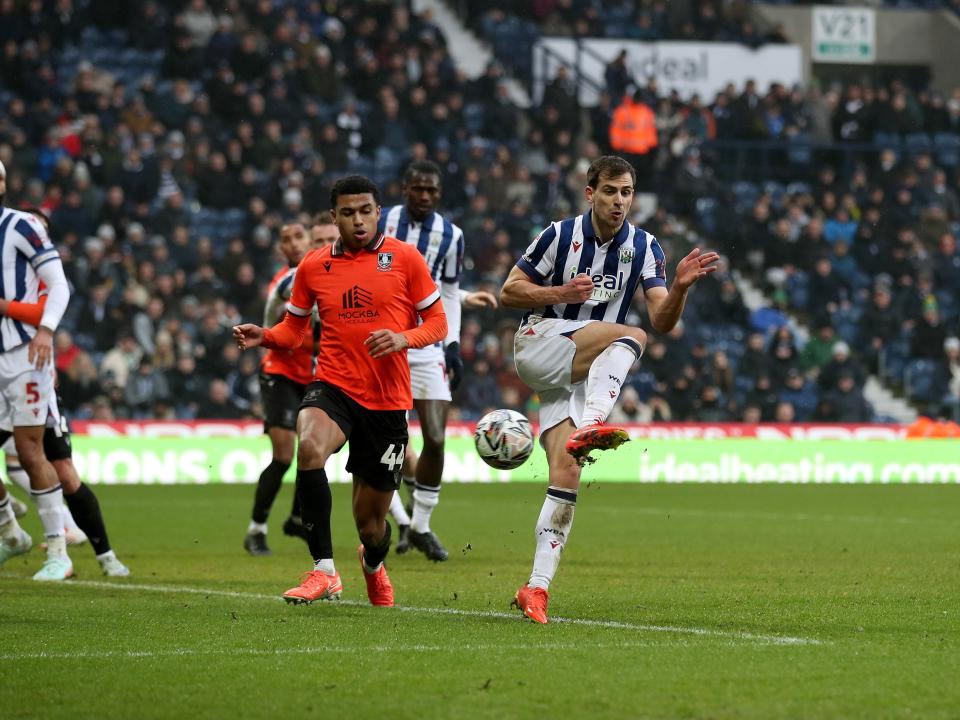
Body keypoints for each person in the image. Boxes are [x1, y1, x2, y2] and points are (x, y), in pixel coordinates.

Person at [499, 155, 718, 623]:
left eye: (627, 193)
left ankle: (535, 587)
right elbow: (509, 292)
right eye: (611, 191)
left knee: (568, 471)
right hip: (538, 345)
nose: (619, 201)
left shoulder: (645, 247)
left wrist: (678, 288)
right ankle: (596, 423)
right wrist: (559, 294)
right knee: (630, 335)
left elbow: (662, 319)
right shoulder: (559, 235)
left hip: (581, 369)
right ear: (590, 192)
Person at [233, 175, 447, 607]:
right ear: (334, 217)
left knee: (371, 527)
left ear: (378, 212)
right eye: (347, 213)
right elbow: (293, 329)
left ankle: (372, 565)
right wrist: (267, 336)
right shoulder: (314, 265)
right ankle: (324, 571)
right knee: (308, 446)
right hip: (333, 384)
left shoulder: (406, 259)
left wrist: (405, 338)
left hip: (387, 400)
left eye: (365, 211)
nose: (358, 220)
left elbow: (438, 322)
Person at [377, 160, 496, 561]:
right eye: (418, 189)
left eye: (432, 190)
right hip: (382, 345)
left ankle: (422, 524)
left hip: (426, 346)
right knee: (388, 442)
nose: (425, 196)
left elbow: (444, 291)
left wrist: (453, 345)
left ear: (439, 194)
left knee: (436, 437)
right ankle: (400, 520)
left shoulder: (451, 235)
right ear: (405, 188)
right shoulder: (381, 221)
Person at [0, 207, 129, 576]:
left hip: (34, 377)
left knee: (63, 472)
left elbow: (43, 309)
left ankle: (102, 554)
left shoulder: (41, 278)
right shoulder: (14, 270)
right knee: (25, 461)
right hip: (11, 372)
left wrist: (5, 307)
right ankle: (13, 526)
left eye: (39, 227)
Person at [243, 220, 338, 556]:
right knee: (284, 455)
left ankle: (296, 517)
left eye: (299, 237)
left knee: (314, 451)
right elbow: (274, 325)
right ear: (282, 249)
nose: (295, 243)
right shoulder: (285, 282)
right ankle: (256, 529)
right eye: (288, 239)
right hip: (280, 373)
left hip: (313, 376)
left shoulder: (330, 274)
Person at [0, 161, 74, 581]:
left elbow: (58, 284)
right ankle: (11, 532)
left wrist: (45, 331)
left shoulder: (21, 225)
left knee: (30, 451)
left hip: (24, 354)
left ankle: (59, 551)